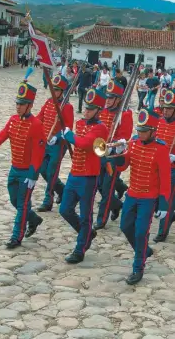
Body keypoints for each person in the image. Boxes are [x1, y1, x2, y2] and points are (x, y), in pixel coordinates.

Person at [0, 82, 46, 248]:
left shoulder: (36, 125)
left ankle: (16, 237)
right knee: (15, 200)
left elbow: (38, 152)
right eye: (17, 103)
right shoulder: (13, 120)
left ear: (29, 105)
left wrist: (33, 174)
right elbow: (1, 136)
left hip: (27, 172)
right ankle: (34, 219)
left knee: (22, 205)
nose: (18, 107)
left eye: (21, 104)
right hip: (14, 169)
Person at [113, 108, 170, 284]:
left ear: (153, 131)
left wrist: (163, 204)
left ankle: (138, 268)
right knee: (125, 226)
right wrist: (117, 155)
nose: (140, 133)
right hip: (132, 194)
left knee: (140, 232)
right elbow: (123, 166)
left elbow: (165, 178)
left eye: (144, 131)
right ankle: (143, 250)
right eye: (139, 130)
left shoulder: (161, 149)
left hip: (148, 197)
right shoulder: (135, 142)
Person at [59, 88, 109, 264]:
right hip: (75, 173)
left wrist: (69, 135)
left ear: (98, 111)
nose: (86, 111)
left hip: (89, 176)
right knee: (64, 209)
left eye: (90, 109)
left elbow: (84, 143)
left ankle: (80, 249)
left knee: (86, 214)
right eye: (86, 108)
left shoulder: (101, 128)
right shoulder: (80, 124)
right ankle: (87, 234)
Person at [94, 80, 133, 230]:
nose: (108, 100)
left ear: (118, 99)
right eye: (107, 97)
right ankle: (116, 205)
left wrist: (114, 144)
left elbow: (125, 137)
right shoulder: (103, 111)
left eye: (111, 98)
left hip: (113, 158)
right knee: (99, 186)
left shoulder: (125, 114)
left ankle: (101, 219)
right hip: (101, 155)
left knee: (107, 187)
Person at [37, 75, 74, 211]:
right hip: (44, 142)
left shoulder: (67, 107)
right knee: (42, 169)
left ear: (62, 91)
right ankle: (63, 191)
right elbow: (39, 118)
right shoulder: (48, 102)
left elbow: (68, 128)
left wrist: (57, 137)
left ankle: (48, 200)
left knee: (52, 172)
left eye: (57, 90)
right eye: (53, 89)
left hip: (58, 145)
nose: (55, 92)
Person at [154, 90, 175, 242]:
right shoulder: (160, 121)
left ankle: (162, 231)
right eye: (164, 108)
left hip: (173, 169)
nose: (165, 111)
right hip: (158, 166)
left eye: (169, 108)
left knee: (168, 200)